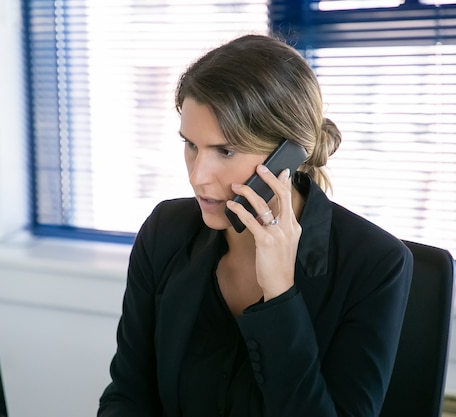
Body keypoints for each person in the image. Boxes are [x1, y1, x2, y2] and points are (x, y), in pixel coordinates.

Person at [97, 34, 413, 417]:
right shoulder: (165, 231)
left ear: (288, 154)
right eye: (191, 145)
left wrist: (281, 295)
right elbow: (127, 395)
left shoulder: (376, 264)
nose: (198, 176)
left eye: (225, 151)